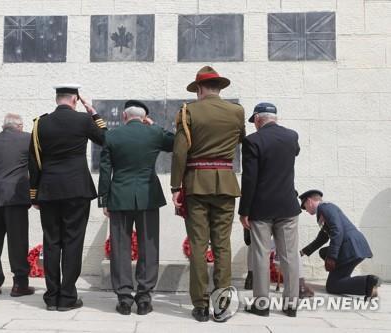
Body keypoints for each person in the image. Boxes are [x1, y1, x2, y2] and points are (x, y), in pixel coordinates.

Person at [171, 66, 245, 322]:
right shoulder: (236, 112)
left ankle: (201, 306)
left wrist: (175, 187)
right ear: (219, 88)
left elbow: (180, 152)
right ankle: (222, 305)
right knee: (222, 246)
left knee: (199, 247)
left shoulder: (188, 111)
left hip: (196, 185)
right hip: (225, 183)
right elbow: (239, 142)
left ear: (200, 89)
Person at [29, 84, 107, 311]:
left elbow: (33, 161)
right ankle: (67, 297)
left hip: (49, 191)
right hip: (76, 190)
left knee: (51, 242)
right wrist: (93, 112)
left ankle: (52, 297)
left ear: (57, 99)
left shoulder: (39, 123)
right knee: (73, 242)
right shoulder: (83, 120)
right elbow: (106, 139)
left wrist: (34, 193)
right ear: (75, 100)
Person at [98, 100, 174, 316]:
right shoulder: (153, 133)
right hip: (148, 196)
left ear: (124, 116)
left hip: (119, 196)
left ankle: (123, 298)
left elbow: (105, 170)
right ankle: (144, 297)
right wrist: (154, 125)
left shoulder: (112, 136)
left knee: (120, 247)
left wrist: (104, 199)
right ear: (143, 118)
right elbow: (176, 142)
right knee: (148, 246)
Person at [239, 103, 301, 317]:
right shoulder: (292, 136)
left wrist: (243, 210)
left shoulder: (252, 141)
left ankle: (262, 304)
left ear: (257, 119)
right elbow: (296, 152)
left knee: (260, 256)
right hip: (288, 206)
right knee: (290, 257)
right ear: (276, 117)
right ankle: (291, 305)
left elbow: (249, 179)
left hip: (261, 208)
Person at [0, 113, 34, 298]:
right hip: (16, 197)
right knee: (17, 242)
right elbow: (35, 166)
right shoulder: (27, 139)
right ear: (19, 126)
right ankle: (19, 284)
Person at [299, 190, 380, 299]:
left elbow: (337, 230)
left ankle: (368, 283)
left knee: (332, 286)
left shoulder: (325, 208)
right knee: (323, 252)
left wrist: (332, 257)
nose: (306, 210)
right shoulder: (324, 211)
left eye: (305, 207)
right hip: (354, 247)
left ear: (309, 201)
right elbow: (322, 238)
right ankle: (365, 284)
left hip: (351, 247)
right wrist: (302, 252)